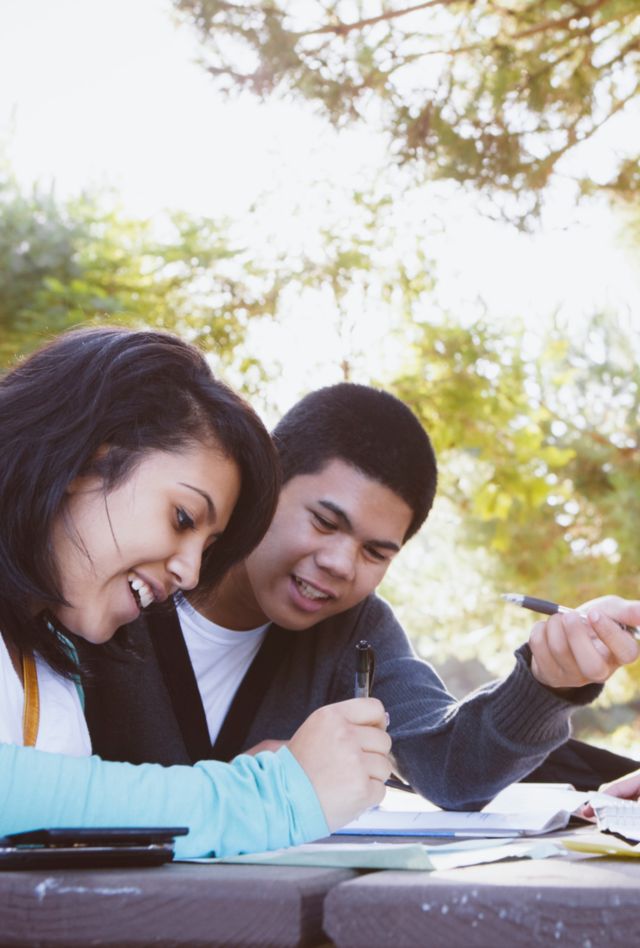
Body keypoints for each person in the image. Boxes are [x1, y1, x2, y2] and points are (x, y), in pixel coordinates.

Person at [83, 383, 640, 808]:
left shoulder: (358, 631)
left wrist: (546, 685)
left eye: (376, 553)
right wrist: (236, 791)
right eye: (325, 522)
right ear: (265, 480)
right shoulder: (121, 589)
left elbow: (447, 766)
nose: (340, 565)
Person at [0, 330, 392, 858]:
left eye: (208, 547)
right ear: (86, 458)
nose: (188, 573)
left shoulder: (52, 665)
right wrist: (269, 797)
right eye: (183, 517)